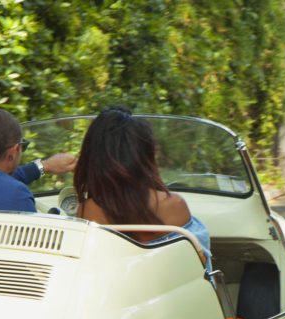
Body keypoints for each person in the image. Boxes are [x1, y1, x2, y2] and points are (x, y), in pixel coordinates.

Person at [74, 106, 212, 269]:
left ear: (93, 158)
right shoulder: (174, 204)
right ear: (145, 156)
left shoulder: (87, 211)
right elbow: (201, 270)